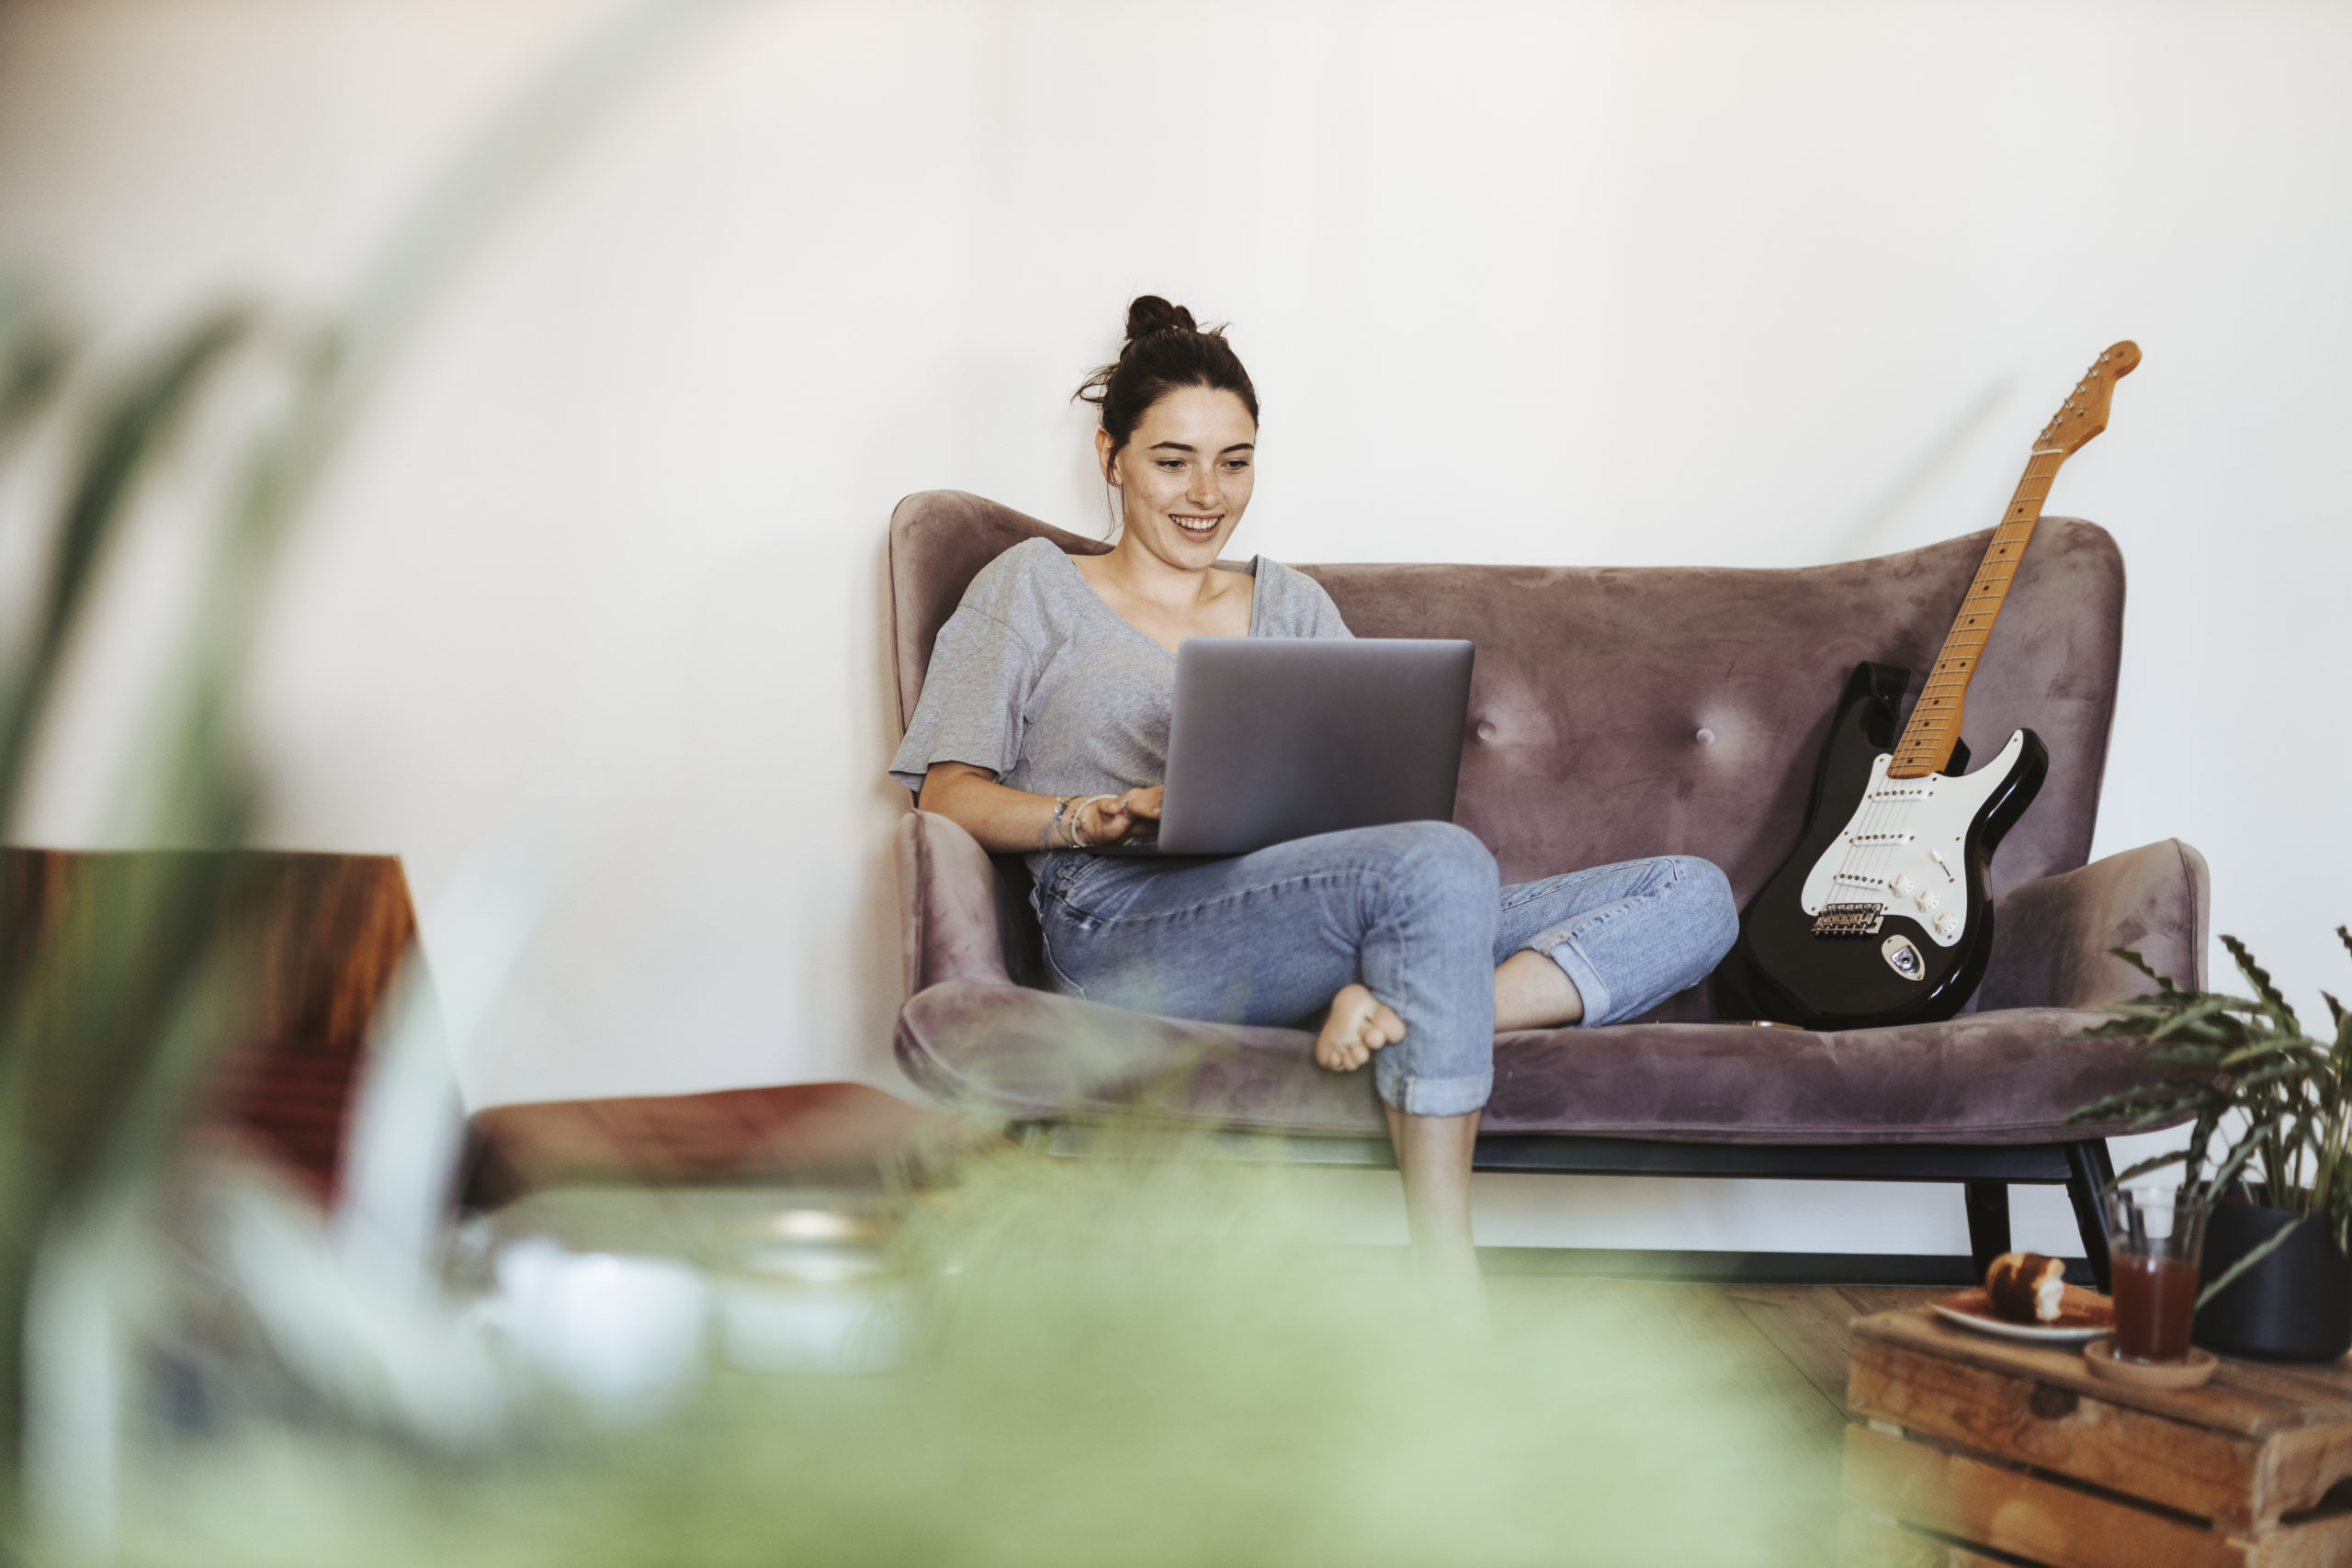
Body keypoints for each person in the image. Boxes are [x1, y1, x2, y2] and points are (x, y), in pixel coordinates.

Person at [889, 296, 1738, 1285]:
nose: (1207, 493)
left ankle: (1388, 998)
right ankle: (1446, 1279)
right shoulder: (1029, 584)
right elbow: (943, 794)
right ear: (1109, 455)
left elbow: (1372, 805)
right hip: (1124, 923)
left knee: (1692, 892)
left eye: (1235, 461)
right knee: (1441, 861)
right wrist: (1089, 815)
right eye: (1173, 461)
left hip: (1315, 905)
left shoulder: (1290, 601)